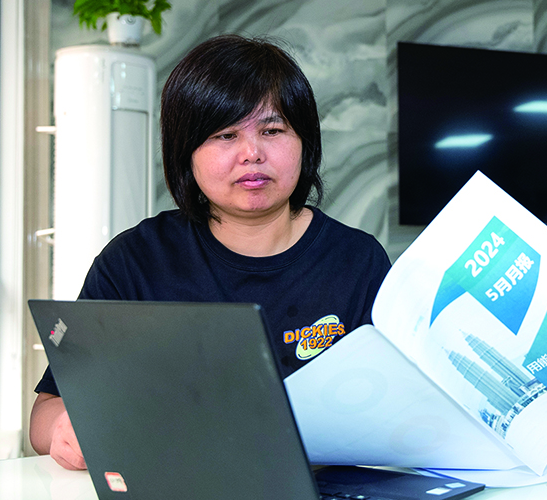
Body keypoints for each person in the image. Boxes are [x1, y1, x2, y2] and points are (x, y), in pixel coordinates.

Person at [30, 35, 392, 471]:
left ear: (305, 143)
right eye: (225, 134)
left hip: (328, 495)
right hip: (173, 495)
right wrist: (64, 430)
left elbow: (395, 409)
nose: (252, 153)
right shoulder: (134, 262)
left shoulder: (358, 261)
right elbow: (46, 412)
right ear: (187, 153)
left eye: (272, 131)